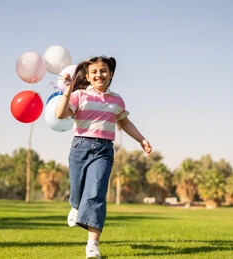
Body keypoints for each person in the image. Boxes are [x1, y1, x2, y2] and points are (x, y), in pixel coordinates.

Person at [56, 56, 152, 259]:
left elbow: (125, 123)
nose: (99, 74)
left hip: (104, 151)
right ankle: (75, 206)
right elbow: (59, 114)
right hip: (80, 147)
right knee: (77, 193)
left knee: (96, 194)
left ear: (111, 74)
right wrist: (68, 89)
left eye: (103, 71)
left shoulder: (117, 99)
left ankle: (92, 245)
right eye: (94, 72)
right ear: (88, 77)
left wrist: (141, 139)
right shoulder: (79, 95)